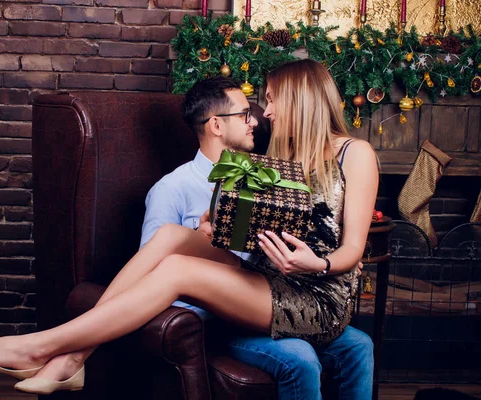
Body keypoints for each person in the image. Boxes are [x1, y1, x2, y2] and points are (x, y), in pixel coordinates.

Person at [0, 59, 379, 398]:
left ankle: (44, 349)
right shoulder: (276, 156)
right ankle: (69, 359)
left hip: (317, 297)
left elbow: (353, 250)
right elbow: (258, 231)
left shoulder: (354, 154)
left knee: (178, 269)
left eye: (271, 100)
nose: (264, 112)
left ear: (300, 99)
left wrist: (316, 263)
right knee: (171, 238)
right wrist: (220, 226)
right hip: (268, 280)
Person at [141, 75, 374, 399]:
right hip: (222, 305)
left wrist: (334, 261)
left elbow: (308, 232)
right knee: (301, 358)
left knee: (360, 344)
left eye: (269, 102)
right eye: (244, 114)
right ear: (216, 125)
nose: (260, 116)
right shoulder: (172, 188)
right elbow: (152, 265)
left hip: (278, 288)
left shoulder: (268, 170)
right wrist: (201, 237)